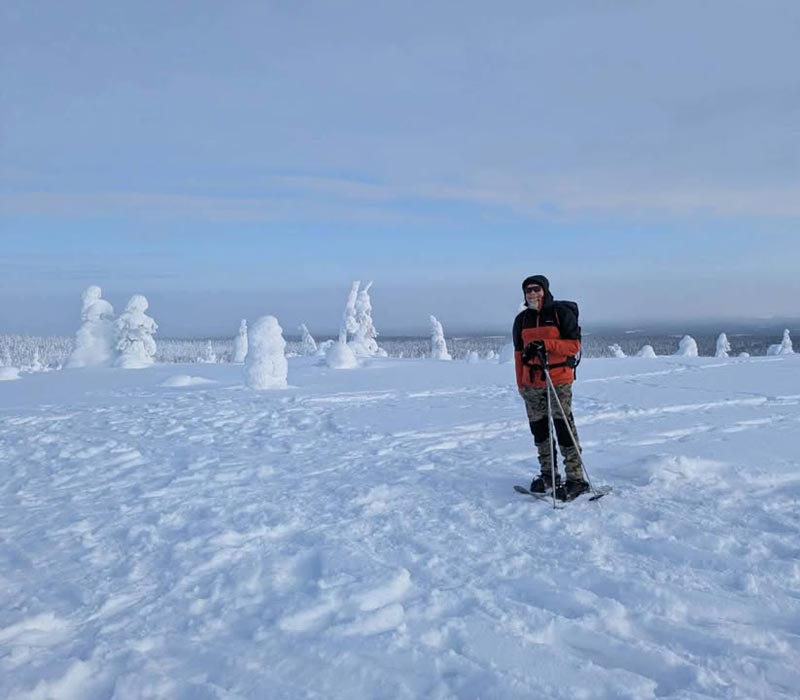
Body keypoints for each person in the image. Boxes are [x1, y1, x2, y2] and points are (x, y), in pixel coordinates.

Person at [512, 275, 588, 500]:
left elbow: (574, 346)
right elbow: (518, 355)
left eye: (536, 289)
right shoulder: (522, 320)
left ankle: (576, 478)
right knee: (540, 430)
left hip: (558, 379)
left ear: (545, 290)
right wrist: (521, 383)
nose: (532, 293)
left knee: (563, 426)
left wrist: (545, 344)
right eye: (527, 291)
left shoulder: (559, 314)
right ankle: (548, 474)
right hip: (532, 383)